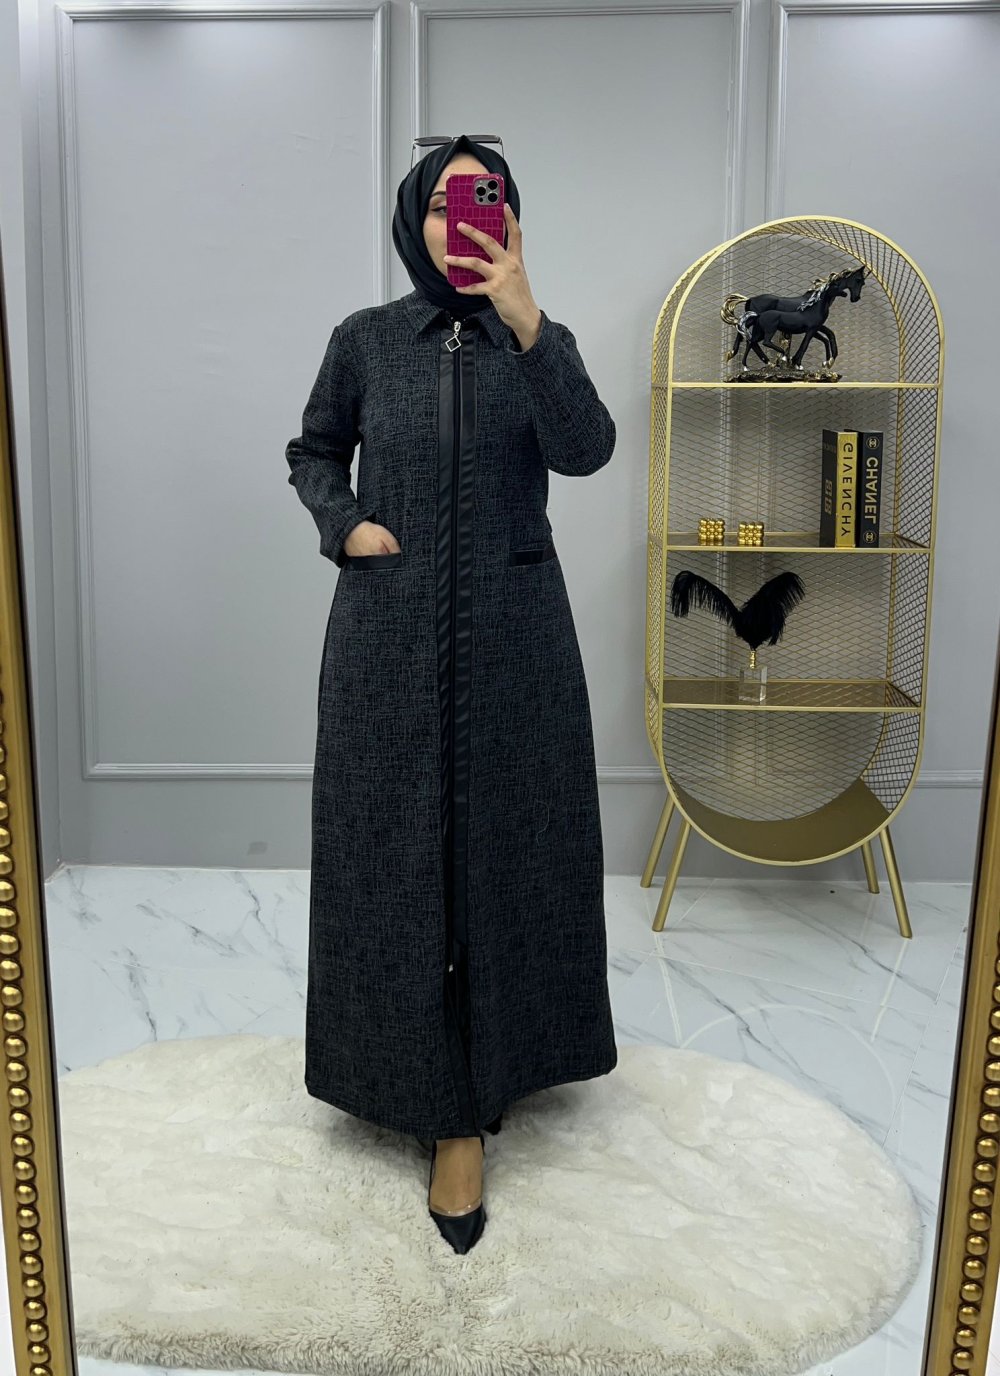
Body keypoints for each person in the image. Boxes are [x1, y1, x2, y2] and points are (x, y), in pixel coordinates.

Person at [285, 134, 618, 1255]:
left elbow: (587, 450)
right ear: (413, 218)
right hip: (386, 634)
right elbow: (313, 450)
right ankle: (428, 1097)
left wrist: (528, 321)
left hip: (519, 638)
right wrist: (347, 527)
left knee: (516, 850)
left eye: (485, 202)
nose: (460, 222)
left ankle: (490, 1079)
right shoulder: (366, 338)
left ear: (510, 221)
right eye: (443, 203)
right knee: (393, 856)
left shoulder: (540, 339)